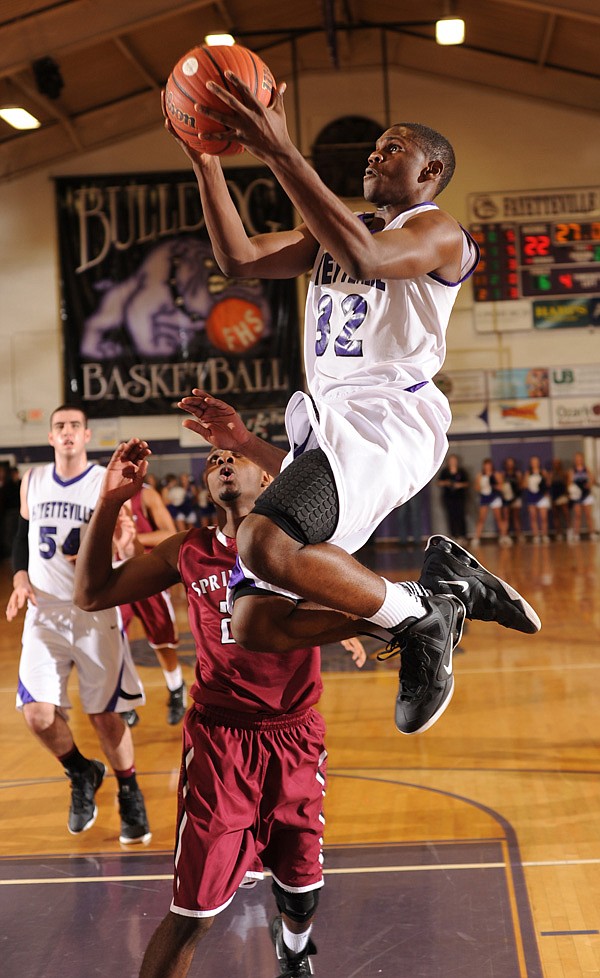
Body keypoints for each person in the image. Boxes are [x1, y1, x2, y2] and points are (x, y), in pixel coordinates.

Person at [165, 79, 541, 737]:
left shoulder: (435, 230)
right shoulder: (342, 229)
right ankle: (439, 592)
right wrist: (207, 160)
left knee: (260, 537)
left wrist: (281, 148)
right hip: (332, 424)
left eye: (390, 149)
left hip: (386, 421)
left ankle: (424, 612)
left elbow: (365, 255)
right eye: (373, 148)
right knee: (255, 622)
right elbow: (238, 257)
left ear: (430, 172)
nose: (373, 156)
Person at [74, 437, 366, 978]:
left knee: (302, 883)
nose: (223, 462)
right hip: (221, 741)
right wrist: (110, 501)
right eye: (213, 461)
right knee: (193, 912)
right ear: (208, 487)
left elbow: (352, 594)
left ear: (269, 480)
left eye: (234, 457)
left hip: (295, 734)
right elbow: (91, 594)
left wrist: (344, 617)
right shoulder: (187, 549)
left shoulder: (304, 546)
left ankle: (296, 949)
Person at [5, 405, 151, 844]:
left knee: (104, 716)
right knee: (36, 714)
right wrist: (18, 576)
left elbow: (125, 543)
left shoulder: (100, 482)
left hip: (93, 611)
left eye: (74, 427)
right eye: (59, 427)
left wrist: (123, 544)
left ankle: (129, 790)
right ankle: (81, 771)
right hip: (44, 611)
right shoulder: (32, 480)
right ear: (50, 437)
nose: (67, 433)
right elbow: (21, 535)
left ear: (87, 436)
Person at [116, 481, 186, 726]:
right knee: (113, 640)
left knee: (162, 640)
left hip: (146, 575)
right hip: (114, 579)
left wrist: (129, 538)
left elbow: (169, 533)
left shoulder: (145, 496)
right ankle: (124, 697)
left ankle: (176, 687)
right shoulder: (102, 498)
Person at [471, 458, 510, 547]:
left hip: (495, 497)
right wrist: (482, 487)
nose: (487, 467)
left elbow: (501, 486)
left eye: (489, 465)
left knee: (499, 518)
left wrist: (493, 485)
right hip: (484, 497)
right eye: (486, 465)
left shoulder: (496, 474)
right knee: (481, 518)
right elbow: (476, 487)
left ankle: (503, 536)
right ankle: (476, 538)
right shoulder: (480, 475)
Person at [437, 453, 469, 542]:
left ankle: (463, 536)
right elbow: (439, 482)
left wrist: (459, 485)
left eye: (454, 460)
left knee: (461, 516)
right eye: (451, 461)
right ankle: (454, 536)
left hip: (459, 497)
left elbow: (467, 483)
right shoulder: (445, 472)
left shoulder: (461, 471)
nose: (452, 462)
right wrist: (446, 483)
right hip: (448, 497)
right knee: (451, 517)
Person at [567, 451, 598, 541]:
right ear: (574, 460)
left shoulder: (586, 469)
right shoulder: (572, 470)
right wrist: (572, 490)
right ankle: (576, 534)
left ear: (582, 459)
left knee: (589, 515)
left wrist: (590, 483)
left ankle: (592, 533)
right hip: (577, 495)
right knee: (577, 515)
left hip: (586, 494)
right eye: (576, 459)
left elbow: (592, 479)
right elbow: (569, 483)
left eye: (580, 458)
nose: (578, 460)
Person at [522, 455, 550, 544]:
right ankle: (536, 535)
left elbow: (548, 484)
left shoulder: (543, 472)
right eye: (533, 462)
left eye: (536, 461)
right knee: (533, 517)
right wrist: (528, 482)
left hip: (541, 496)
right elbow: (524, 485)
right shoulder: (528, 473)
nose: (535, 463)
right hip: (531, 496)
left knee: (544, 517)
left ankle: (545, 535)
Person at [500, 457, 523, 541]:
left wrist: (515, 493)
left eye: (511, 463)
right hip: (506, 498)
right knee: (506, 516)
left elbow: (521, 485)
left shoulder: (517, 474)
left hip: (516, 497)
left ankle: (519, 535)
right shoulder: (503, 474)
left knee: (516, 516)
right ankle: (504, 536)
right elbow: (501, 485)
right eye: (508, 463)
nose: (510, 465)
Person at [549, 458, 569, 540]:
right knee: (556, 515)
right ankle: (559, 532)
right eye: (554, 463)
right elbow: (548, 485)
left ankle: (569, 530)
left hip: (562, 495)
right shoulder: (551, 474)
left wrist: (567, 494)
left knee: (566, 514)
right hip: (554, 496)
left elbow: (567, 484)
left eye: (557, 463)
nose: (556, 465)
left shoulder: (564, 473)